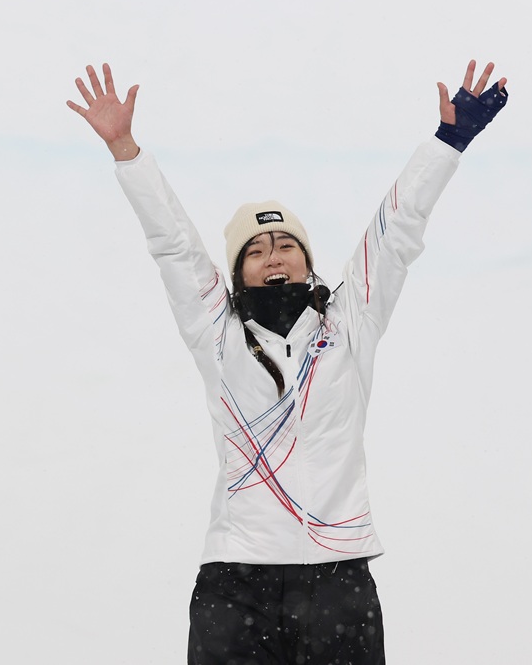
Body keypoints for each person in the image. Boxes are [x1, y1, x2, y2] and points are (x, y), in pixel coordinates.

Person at [67, 61, 506, 664]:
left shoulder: (350, 324)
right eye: (257, 249)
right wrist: (125, 149)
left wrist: (449, 141)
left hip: (337, 581)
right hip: (236, 581)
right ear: (236, 271)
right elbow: (172, 242)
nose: (275, 257)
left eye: (288, 245)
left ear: (307, 261)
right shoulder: (215, 333)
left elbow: (397, 233)